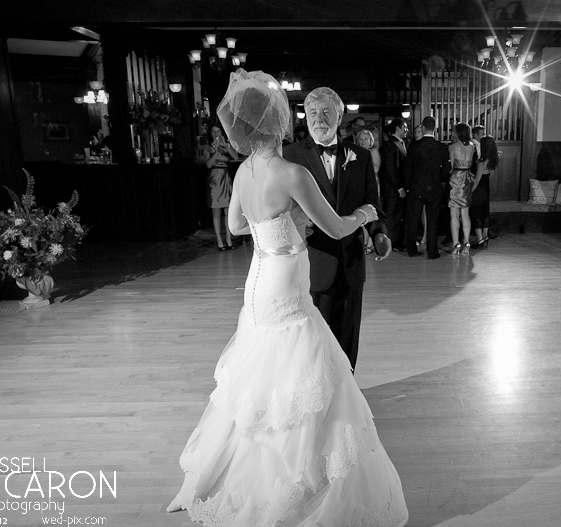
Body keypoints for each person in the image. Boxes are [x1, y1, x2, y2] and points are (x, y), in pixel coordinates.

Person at [166, 69, 408, 526]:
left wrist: (280, 225)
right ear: (279, 122)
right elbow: (336, 227)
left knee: (263, 371)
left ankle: (237, 466)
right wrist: (363, 214)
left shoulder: (244, 171)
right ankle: (296, 468)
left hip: (259, 278)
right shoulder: (293, 172)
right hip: (286, 283)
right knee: (307, 368)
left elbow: (238, 227)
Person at [283, 87, 392, 370]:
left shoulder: (361, 156)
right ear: (305, 117)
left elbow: (372, 203)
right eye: (313, 113)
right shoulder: (290, 157)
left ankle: (347, 396)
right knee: (312, 342)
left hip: (350, 260)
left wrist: (379, 232)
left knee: (347, 337)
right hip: (310, 261)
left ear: (340, 115)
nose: (319, 119)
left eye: (326, 112)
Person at [403, 116, 451, 259]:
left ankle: (411, 250)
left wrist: (407, 186)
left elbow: (407, 169)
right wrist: (440, 180)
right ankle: (432, 251)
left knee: (413, 219)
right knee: (433, 220)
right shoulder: (441, 147)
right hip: (434, 188)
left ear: (423, 128)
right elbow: (446, 169)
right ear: (435, 129)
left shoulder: (414, 146)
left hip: (416, 187)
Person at [203, 123, 239, 250]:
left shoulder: (226, 145)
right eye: (214, 132)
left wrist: (226, 147)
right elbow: (208, 164)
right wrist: (216, 151)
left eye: (218, 131)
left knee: (228, 210)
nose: (216, 134)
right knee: (216, 210)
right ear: (210, 134)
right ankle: (219, 240)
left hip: (226, 177)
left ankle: (229, 239)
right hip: (214, 177)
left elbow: (235, 157)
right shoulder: (207, 147)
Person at [379, 118, 408, 251]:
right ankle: (390, 242)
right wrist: (399, 187)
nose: (406, 130)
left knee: (397, 216)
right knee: (391, 216)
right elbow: (391, 168)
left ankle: (396, 242)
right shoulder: (391, 144)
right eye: (405, 127)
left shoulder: (399, 143)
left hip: (396, 187)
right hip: (392, 189)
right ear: (398, 128)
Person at [448, 122, 476, 255]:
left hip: (455, 179)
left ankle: (455, 244)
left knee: (454, 214)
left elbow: (451, 167)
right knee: (466, 214)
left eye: (453, 131)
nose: (452, 133)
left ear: (458, 132)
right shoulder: (472, 146)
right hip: (467, 178)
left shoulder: (452, 147)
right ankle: (467, 242)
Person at [356, 129, 382, 254]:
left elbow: (376, 168)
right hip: (359, 185)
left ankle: (370, 244)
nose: (363, 142)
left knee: (371, 211)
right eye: (361, 139)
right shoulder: (356, 152)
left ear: (371, 141)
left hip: (371, 184)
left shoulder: (373, 151)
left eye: (366, 139)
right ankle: (364, 242)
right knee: (361, 211)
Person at [470, 136, 498, 248]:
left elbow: (477, 180)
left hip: (479, 190)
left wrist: (470, 191)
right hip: (486, 189)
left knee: (476, 213)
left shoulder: (482, 162)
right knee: (485, 212)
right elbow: (488, 176)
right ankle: (485, 236)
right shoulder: (493, 161)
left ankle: (479, 238)